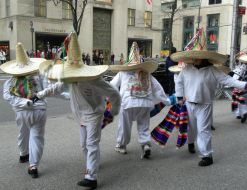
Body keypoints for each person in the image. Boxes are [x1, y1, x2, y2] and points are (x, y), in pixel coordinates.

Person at [36, 32, 121, 189]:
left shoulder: (94, 80)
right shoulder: (69, 77)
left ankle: (91, 177)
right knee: (84, 145)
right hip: (80, 115)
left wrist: (114, 110)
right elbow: (56, 87)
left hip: (95, 114)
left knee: (91, 143)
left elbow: (114, 93)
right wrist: (40, 95)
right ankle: (92, 164)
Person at [171, 49, 247, 167]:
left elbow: (228, 80)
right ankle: (190, 142)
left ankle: (207, 156)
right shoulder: (187, 69)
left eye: (197, 57)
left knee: (203, 130)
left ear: (204, 58)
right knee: (191, 127)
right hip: (189, 104)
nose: (194, 60)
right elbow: (179, 82)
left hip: (205, 105)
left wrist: (245, 85)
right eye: (193, 58)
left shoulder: (213, 71)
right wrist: (179, 97)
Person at [110, 42, 172, 159]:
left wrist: (112, 98)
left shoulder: (123, 72)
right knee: (144, 125)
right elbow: (158, 88)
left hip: (128, 102)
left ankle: (122, 145)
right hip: (145, 103)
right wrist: (167, 101)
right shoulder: (147, 73)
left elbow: (112, 85)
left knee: (124, 125)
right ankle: (145, 145)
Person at [1, 43, 47, 178]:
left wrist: (21, 102)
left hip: (21, 111)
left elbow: (7, 95)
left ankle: (23, 154)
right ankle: (33, 165)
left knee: (23, 132)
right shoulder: (39, 76)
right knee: (37, 136)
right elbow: (49, 90)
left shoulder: (10, 81)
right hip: (39, 109)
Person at [231, 43, 247, 123]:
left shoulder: (246, 66)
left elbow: (239, 73)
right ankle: (239, 113)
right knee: (243, 99)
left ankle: (242, 113)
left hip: (246, 85)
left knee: (237, 96)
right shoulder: (246, 65)